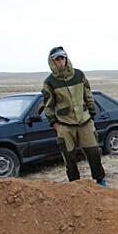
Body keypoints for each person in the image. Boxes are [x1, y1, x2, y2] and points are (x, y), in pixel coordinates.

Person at [42, 46, 107, 186]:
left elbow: (88, 94)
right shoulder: (49, 82)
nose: (60, 61)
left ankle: (100, 180)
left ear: (66, 58)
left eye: (62, 58)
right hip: (65, 125)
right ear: (52, 62)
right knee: (69, 157)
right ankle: (74, 186)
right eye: (57, 59)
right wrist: (55, 124)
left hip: (85, 121)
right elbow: (48, 106)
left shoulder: (78, 75)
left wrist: (91, 111)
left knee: (94, 153)